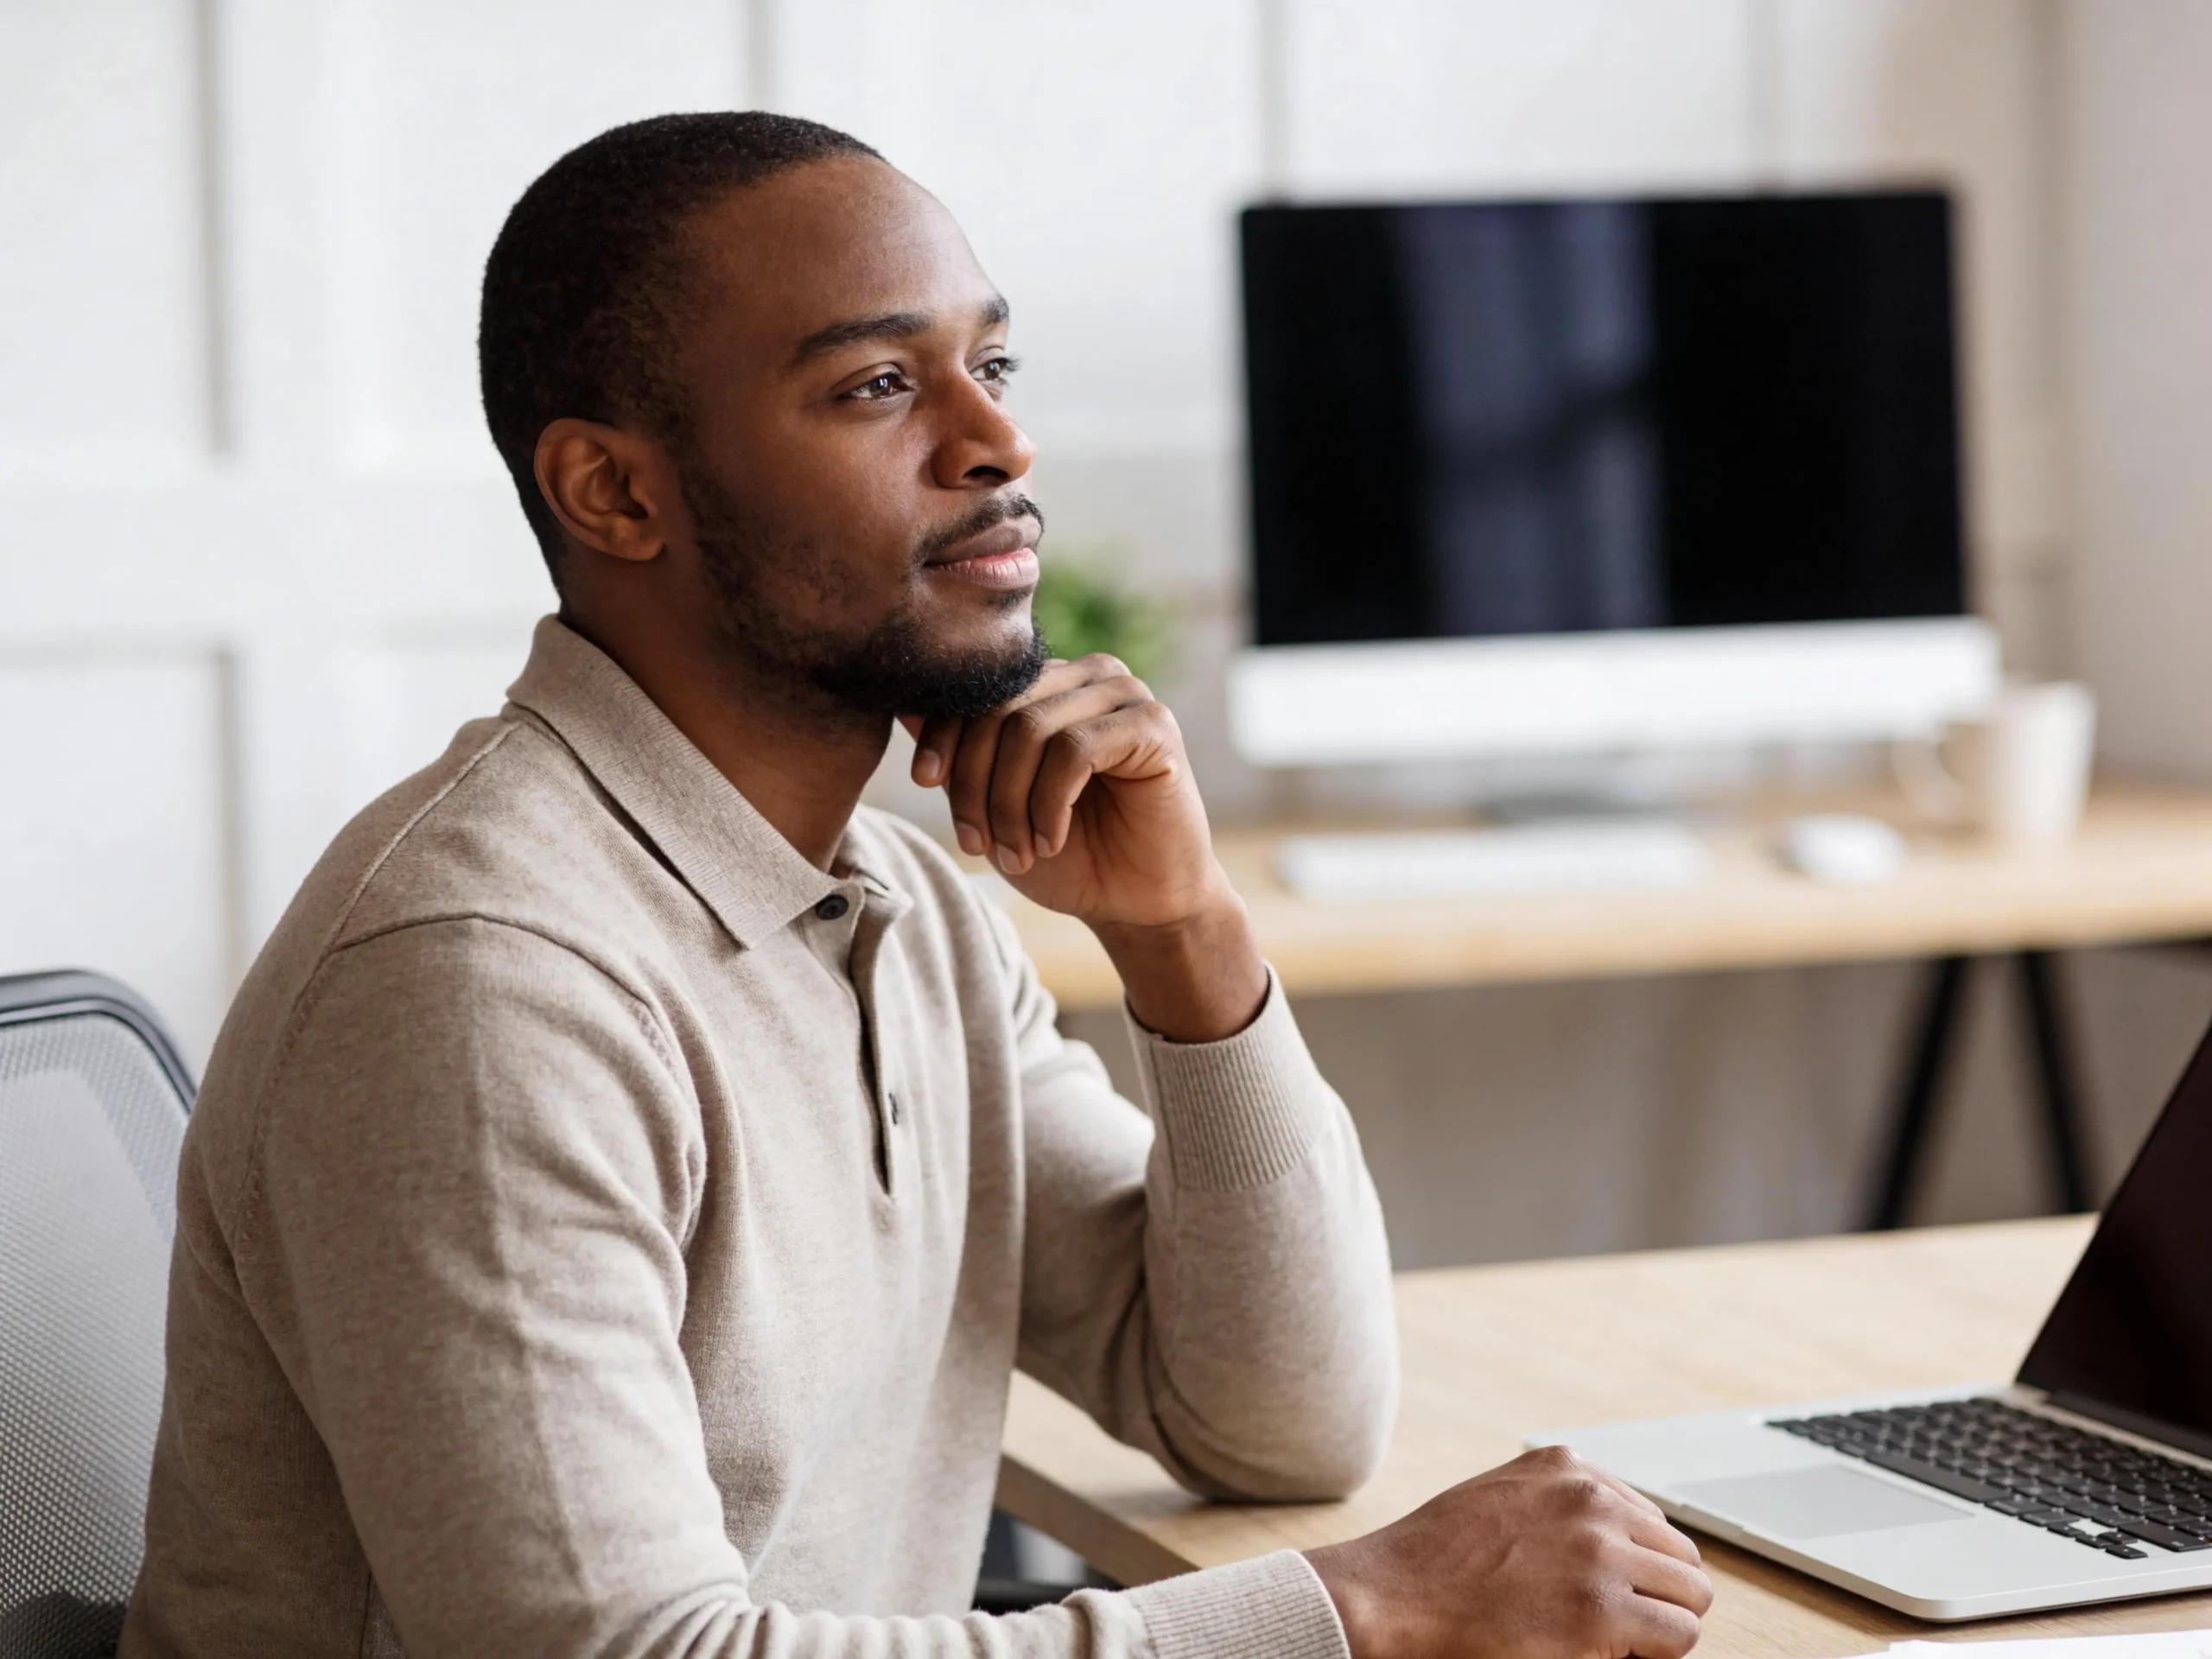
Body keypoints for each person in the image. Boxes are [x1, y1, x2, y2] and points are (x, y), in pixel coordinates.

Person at [123, 112, 1712, 1659]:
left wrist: (1184, 936)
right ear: (615, 494)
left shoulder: (900, 904)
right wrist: (1358, 1613)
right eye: (880, 384)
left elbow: (1280, 1421)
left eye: (994, 366)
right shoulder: (484, 984)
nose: (998, 442)